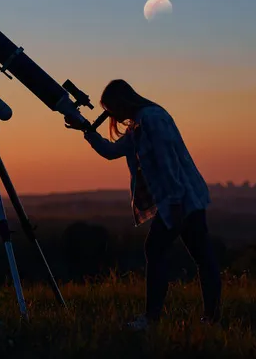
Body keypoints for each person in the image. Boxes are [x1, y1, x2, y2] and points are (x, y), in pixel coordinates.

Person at [64, 79, 222, 331]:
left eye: (111, 108)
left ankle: (154, 318)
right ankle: (209, 319)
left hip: (181, 198)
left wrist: (176, 202)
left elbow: (168, 162)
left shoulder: (152, 119)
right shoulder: (138, 125)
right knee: (199, 255)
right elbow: (111, 152)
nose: (111, 115)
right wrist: (85, 129)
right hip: (180, 198)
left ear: (122, 101)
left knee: (161, 249)